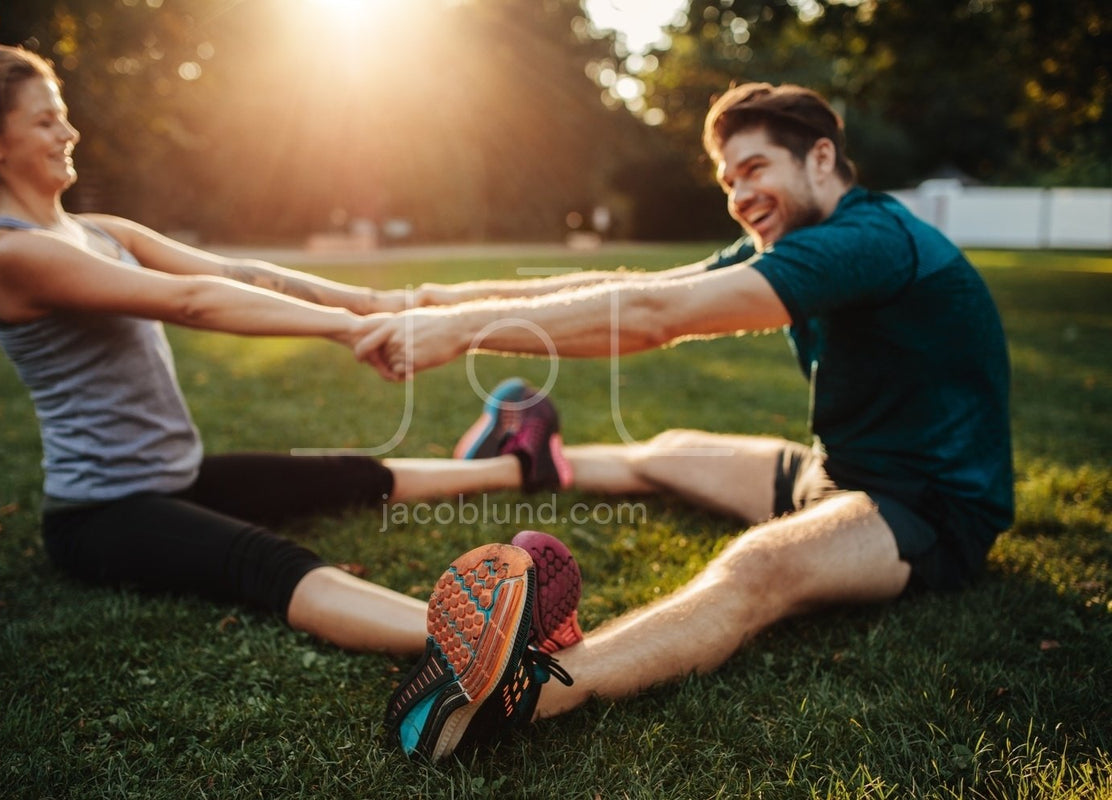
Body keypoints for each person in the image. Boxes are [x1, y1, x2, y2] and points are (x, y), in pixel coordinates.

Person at [363, 83, 1014, 757]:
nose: (739, 195)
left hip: (927, 510)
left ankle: (514, 699)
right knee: (665, 451)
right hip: (837, 471)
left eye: (756, 169)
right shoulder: (796, 240)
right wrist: (428, 301)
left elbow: (655, 317)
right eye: (729, 180)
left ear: (821, 158)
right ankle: (525, 456)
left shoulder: (869, 240)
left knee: (759, 566)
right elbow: (626, 290)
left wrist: (462, 331)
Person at [0, 44, 586, 667]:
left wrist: (371, 303)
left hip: (176, 476)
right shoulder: (15, 254)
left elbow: (234, 273)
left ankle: (517, 464)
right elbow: (194, 302)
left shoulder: (98, 232)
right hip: (102, 515)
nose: (69, 133)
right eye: (47, 122)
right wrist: (344, 331)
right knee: (266, 562)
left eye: (63, 117)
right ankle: (482, 641)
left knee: (343, 476)